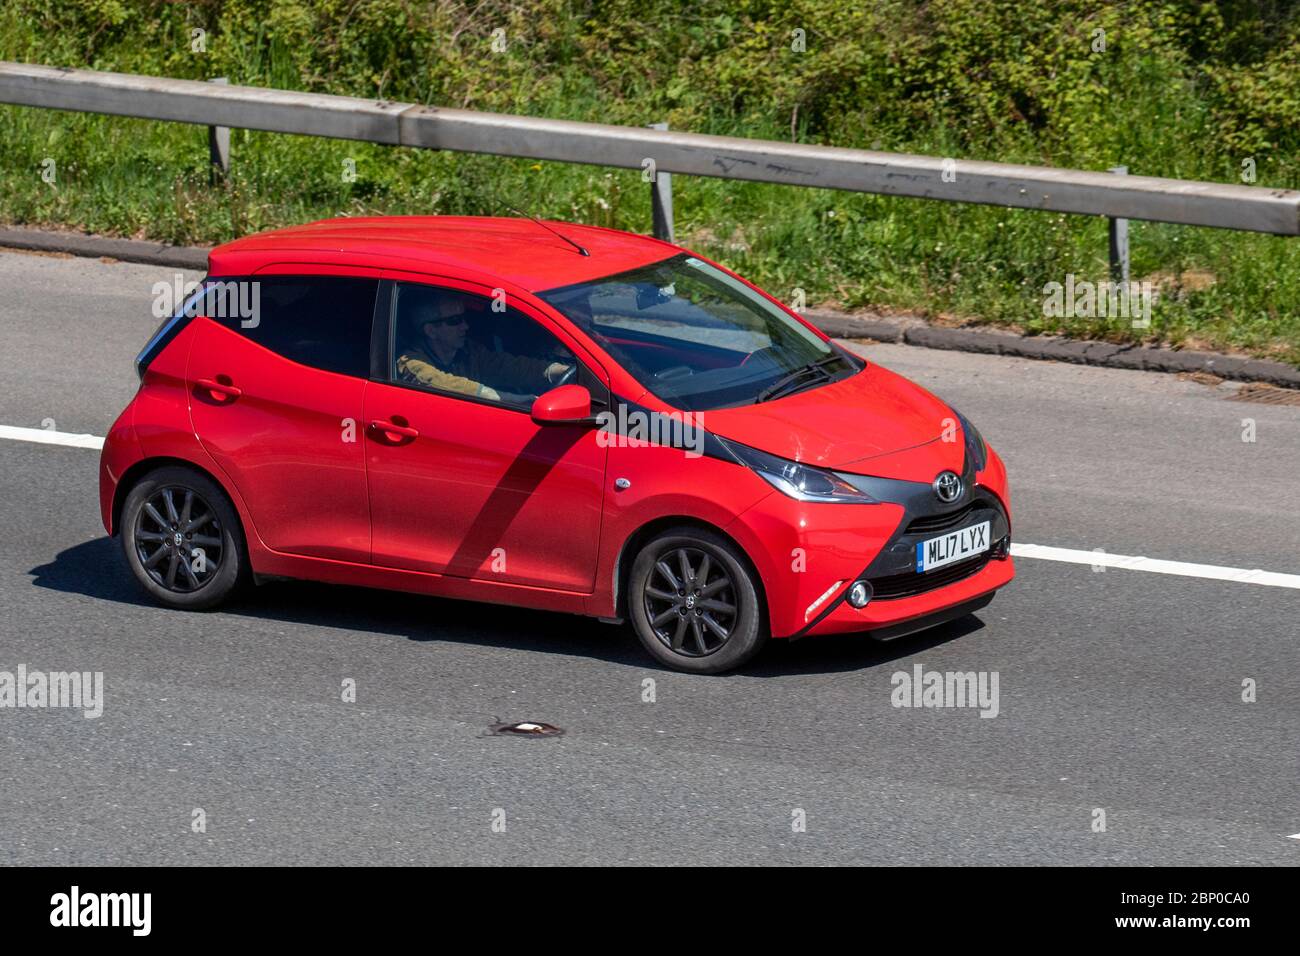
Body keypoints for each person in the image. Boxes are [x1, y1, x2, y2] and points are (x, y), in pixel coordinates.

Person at [395, 288, 573, 403]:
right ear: (431, 330)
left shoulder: (468, 351)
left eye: (465, 318)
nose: (465, 326)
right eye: (455, 321)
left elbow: (508, 367)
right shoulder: (411, 363)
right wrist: (513, 400)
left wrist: (556, 371)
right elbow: (440, 384)